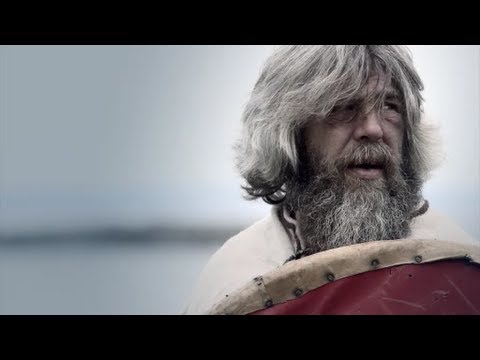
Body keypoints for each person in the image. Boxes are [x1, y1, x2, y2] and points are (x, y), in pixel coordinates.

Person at [183, 45, 479, 315]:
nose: (373, 129)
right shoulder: (233, 277)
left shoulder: (458, 263)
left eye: (390, 106)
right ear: (292, 133)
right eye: (343, 106)